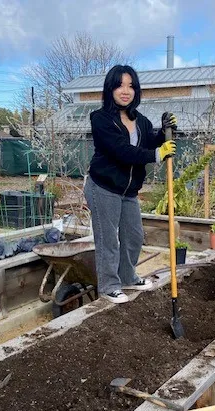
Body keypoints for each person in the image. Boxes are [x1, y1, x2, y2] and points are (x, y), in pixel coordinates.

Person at [84, 64, 177, 304]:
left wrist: (167, 129)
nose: (125, 91)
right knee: (108, 239)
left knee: (134, 236)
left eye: (131, 86)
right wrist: (157, 154)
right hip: (103, 187)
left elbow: (151, 141)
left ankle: (127, 276)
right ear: (110, 88)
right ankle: (108, 286)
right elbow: (122, 151)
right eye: (120, 85)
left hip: (129, 191)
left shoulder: (141, 121)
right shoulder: (101, 119)